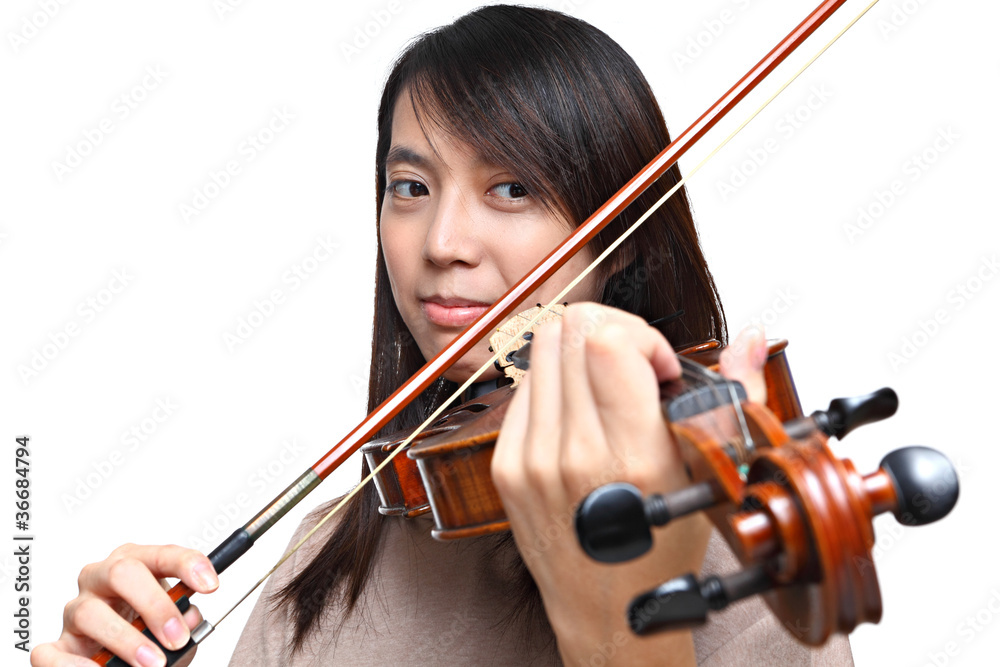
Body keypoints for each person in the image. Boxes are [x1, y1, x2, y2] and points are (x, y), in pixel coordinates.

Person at [32, 6, 852, 666]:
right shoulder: (326, 553)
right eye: (410, 186)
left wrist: (622, 630)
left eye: (512, 187)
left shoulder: (746, 545)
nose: (442, 242)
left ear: (624, 238)